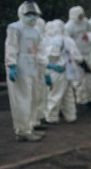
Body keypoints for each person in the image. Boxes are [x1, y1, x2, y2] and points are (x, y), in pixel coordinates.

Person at [5, 0, 46, 142]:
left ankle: (31, 126)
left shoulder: (36, 31)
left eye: (35, 14)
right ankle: (22, 130)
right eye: (29, 14)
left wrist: (43, 67)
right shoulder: (15, 28)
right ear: (22, 13)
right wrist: (11, 65)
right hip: (20, 67)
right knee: (22, 99)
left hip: (33, 67)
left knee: (33, 98)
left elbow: (40, 49)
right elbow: (11, 46)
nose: (33, 17)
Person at [42, 19, 83, 124]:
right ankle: (71, 115)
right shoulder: (67, 40)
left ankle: (51, 117)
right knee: (68, 95)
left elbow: (44, 57)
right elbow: (76, 56)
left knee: (54, 94)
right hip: (67, 70)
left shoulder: (46, 40)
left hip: (54, 70)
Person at [65, 6, 91, 105]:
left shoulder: (85, 22)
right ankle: (79, 99)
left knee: (88, 77)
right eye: (79, 16)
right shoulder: (69, 26)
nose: (81, 17)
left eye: (82, 15)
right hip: (75, 56)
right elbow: (67, 44)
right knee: (78, 79)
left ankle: (87, 98)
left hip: (87, 52)